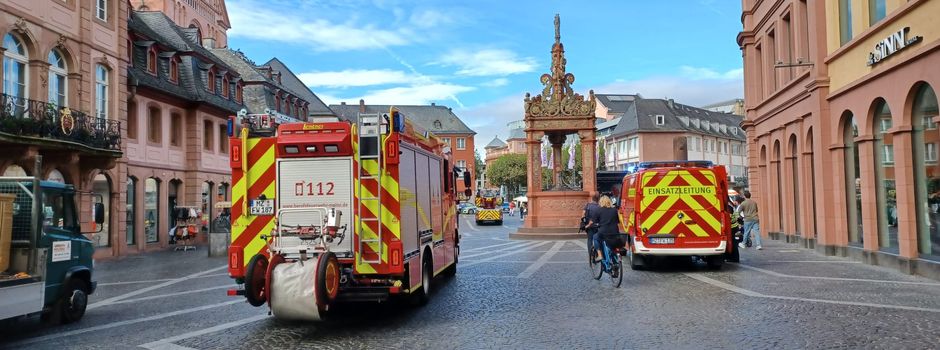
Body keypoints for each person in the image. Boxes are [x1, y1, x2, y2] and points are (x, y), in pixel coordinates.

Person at [590, 195, 623, 267]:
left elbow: (594, 221)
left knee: (595, 237)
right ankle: (615, 263)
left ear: (601, 202)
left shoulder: (598, 210)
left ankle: (599, 255)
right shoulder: (614, 210)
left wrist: (591, 225)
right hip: (614, 232)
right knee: (613, 245)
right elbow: (617, 221)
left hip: (603, 231)